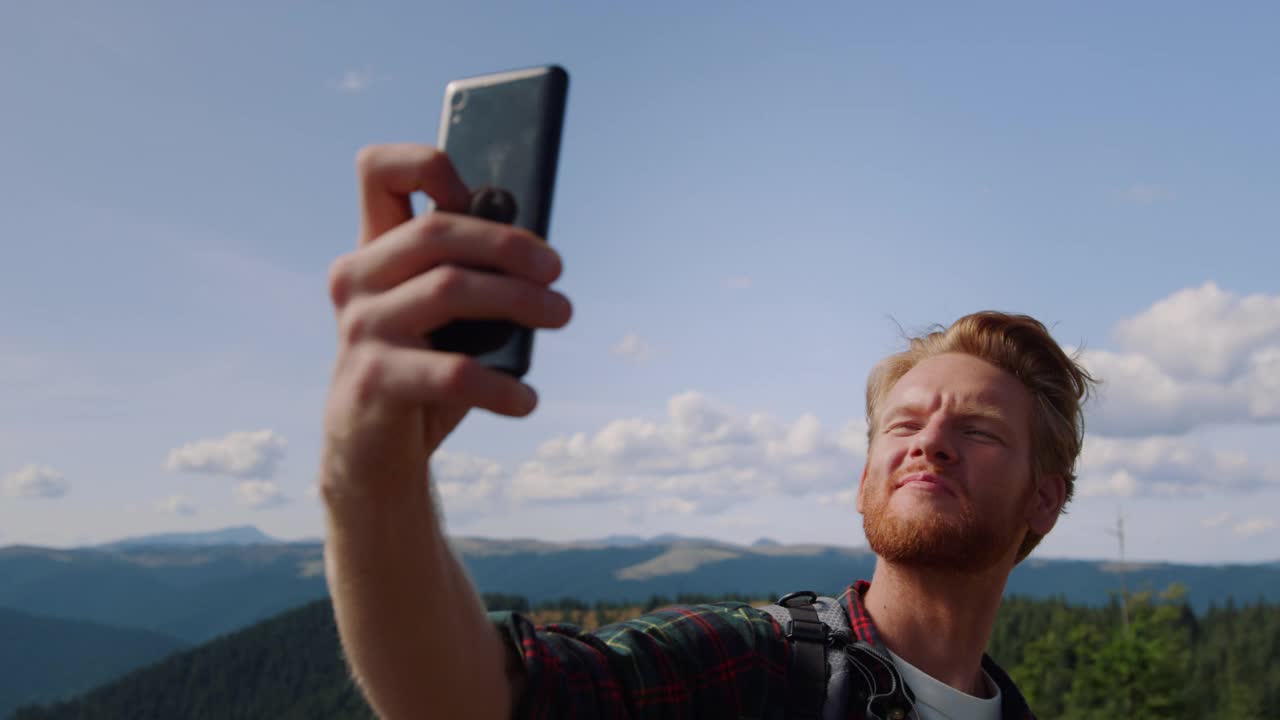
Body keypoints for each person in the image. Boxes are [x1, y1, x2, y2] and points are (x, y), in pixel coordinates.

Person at [319, 144, 1097, 720]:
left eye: (981, 430)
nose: (928, 441)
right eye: (903, 423)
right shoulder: (752, 667)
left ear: (1043, 499)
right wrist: (370, 471)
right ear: (864, 479)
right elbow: (476, 701)